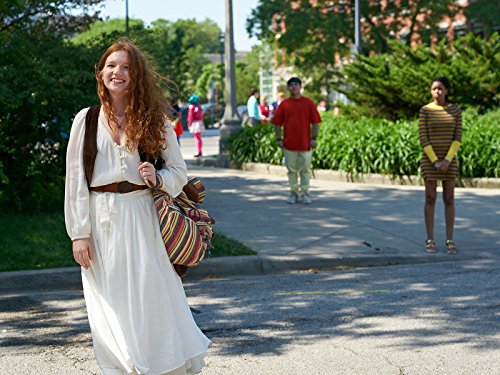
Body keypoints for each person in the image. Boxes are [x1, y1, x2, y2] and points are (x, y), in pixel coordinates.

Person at [64, 38, 210, 375]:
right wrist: (78, 233)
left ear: (137, 75)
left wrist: (158, 178)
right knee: (107, 301)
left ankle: (163, 365)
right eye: (111, 65)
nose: (118, 72)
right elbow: (75, 181)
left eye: (126, 67)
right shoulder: (85, 120)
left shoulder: (155, 120)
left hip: (143, 216)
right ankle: (120, 368)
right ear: (101, 72)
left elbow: (178, 171)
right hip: (100, 221)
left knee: (151, 296)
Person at [419, 76, 462, 254]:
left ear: (446, 91)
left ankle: (450, 239)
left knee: (449, 199)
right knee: (430, 198)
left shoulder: (455, 110)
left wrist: (447, 160)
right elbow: (423, 137)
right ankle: (430, 239)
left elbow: (457, 137)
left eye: (440, 89)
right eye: (434, 89)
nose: (437, 92)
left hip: (449, 162)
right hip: (430, 162)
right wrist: (435, 160)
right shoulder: (425, 110)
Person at [272, 77, 322, 204]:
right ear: (288, 88)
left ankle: (305, 193)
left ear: (301, 86)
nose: (294, 87)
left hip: (305, 144)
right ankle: (293, 193)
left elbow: (315, 122)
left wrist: (314, 138)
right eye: (291, 85)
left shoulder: (308, 103)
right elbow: (277, 123)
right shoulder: (284, 104)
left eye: (296, 85)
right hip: (289, 144)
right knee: (292, 171)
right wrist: (279, 139)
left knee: (305, 170)